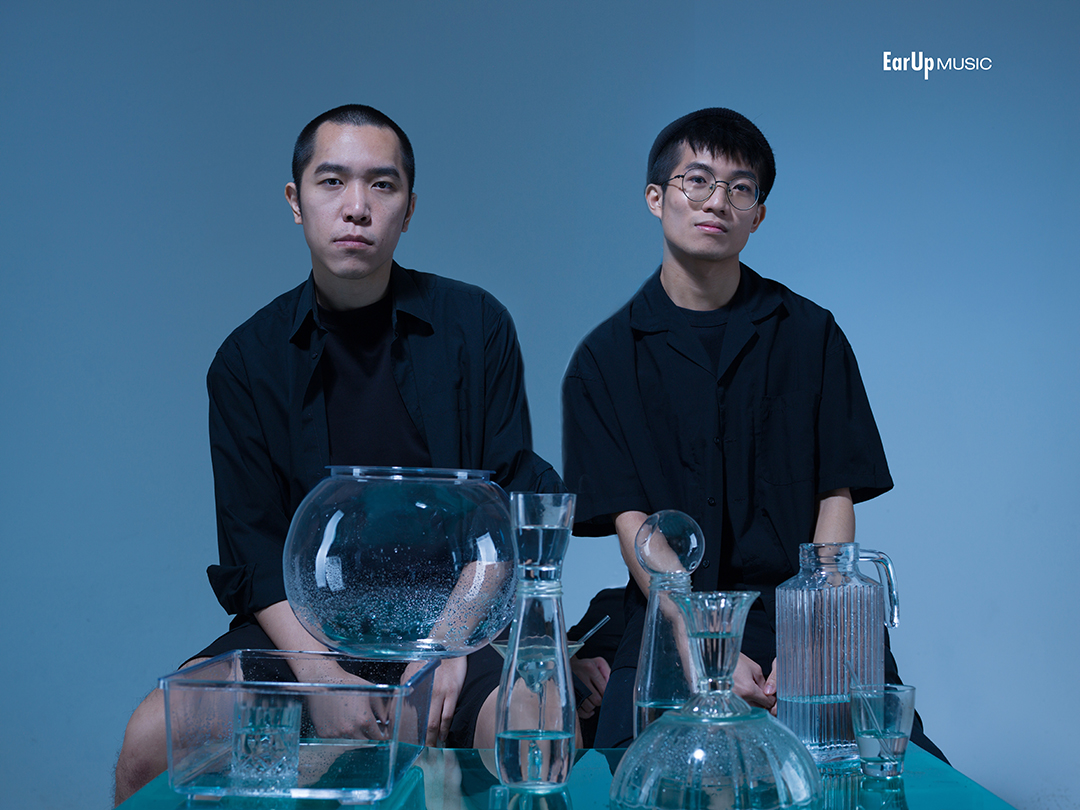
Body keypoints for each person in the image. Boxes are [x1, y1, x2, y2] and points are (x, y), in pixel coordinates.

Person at [114, 104, 565, 804]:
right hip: (302, 634)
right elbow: (254, 551)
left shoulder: (475, 327)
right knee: (150, 740)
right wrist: (322, 679)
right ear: (296, 201)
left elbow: (505, 503)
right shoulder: (246, 361)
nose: (357, 207)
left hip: (452, 626)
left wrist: (447, 647)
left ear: (408, 209)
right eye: (332, 182)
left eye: (382, 185)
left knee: (536, 728)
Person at [561, 107, 944, 759]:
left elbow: (835, 498)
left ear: (758, 215)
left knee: (903, 773)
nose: (718, 202)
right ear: (656, 198)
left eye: (740, 189)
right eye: (697, 181)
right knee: (632, 772)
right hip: (673, 624)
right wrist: (705, 649)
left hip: (809, 617)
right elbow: (635, 527)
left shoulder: (812, 335)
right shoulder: (604, 360)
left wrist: (816, 639)